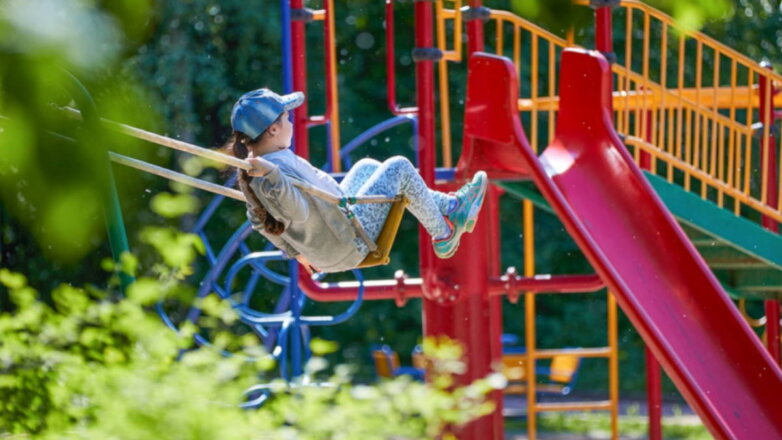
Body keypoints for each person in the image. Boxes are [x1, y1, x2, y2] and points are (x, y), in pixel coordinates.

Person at [228, 88, 487, 273]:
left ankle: (451, 207)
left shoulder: (255, 168)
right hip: (348, 244)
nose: (291, 124)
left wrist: (296, 252)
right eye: (287, 118)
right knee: (399, 167)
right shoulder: (270, 172)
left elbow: (259, 221)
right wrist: (274, 175)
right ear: (273, 129)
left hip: (331, 239)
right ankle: (443, 234)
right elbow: (298, 212)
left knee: (366, 167)